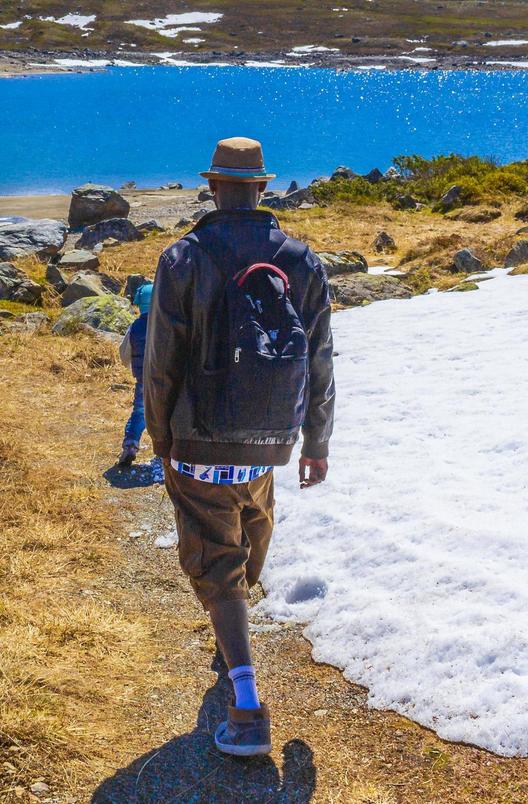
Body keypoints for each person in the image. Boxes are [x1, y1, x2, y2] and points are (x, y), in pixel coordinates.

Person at [144, 137, 335, 759]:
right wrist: (316, 442)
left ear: (213, 188)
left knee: (213, 564)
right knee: (253, 517)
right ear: (261, 188)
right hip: (272, 439)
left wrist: (161, 434)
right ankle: (236, 625)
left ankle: (247, 707)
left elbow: (161, 363)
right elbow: (319, 359)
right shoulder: (300, 261)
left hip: (199, 438)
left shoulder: (183, 259)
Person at [118, 283, 152, 469]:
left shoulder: (135, 327)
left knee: (139, 413)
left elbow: (124, 355)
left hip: (144, 382)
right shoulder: (169, 325)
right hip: (170, 381)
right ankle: (169, 453)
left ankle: (130, 446)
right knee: (170, 416)